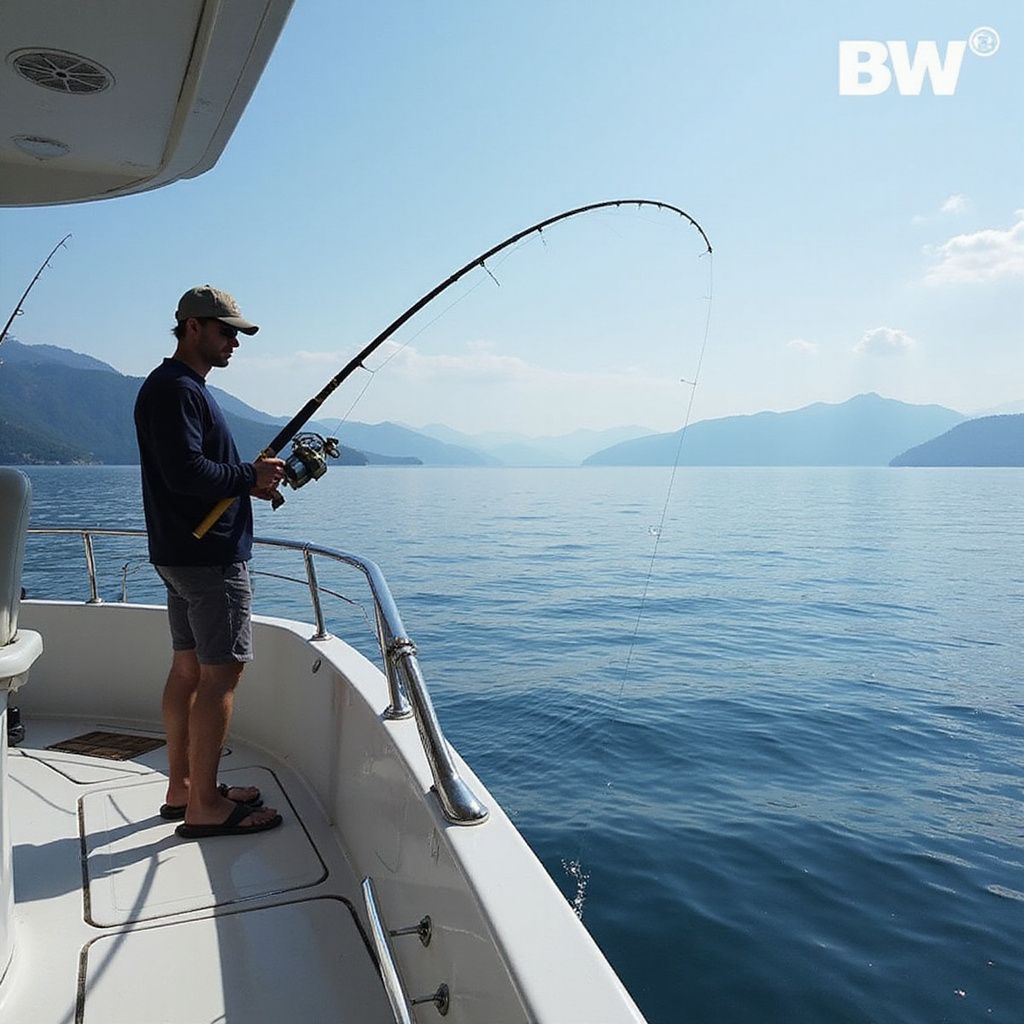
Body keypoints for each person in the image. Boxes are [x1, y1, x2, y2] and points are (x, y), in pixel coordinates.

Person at [134, 285, 286, 838]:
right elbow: (187, 474)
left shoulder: (172, 387)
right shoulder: (178, 390)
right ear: (192, 327)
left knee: (188, 670)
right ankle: (205, 806)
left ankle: (183, 789)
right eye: (226, 332)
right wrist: (249, 477)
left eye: (237, 334)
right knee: (221, 675)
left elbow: (191, 471)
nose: (234, 343)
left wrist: (249, 479)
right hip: (209, 562)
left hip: (179, 555)